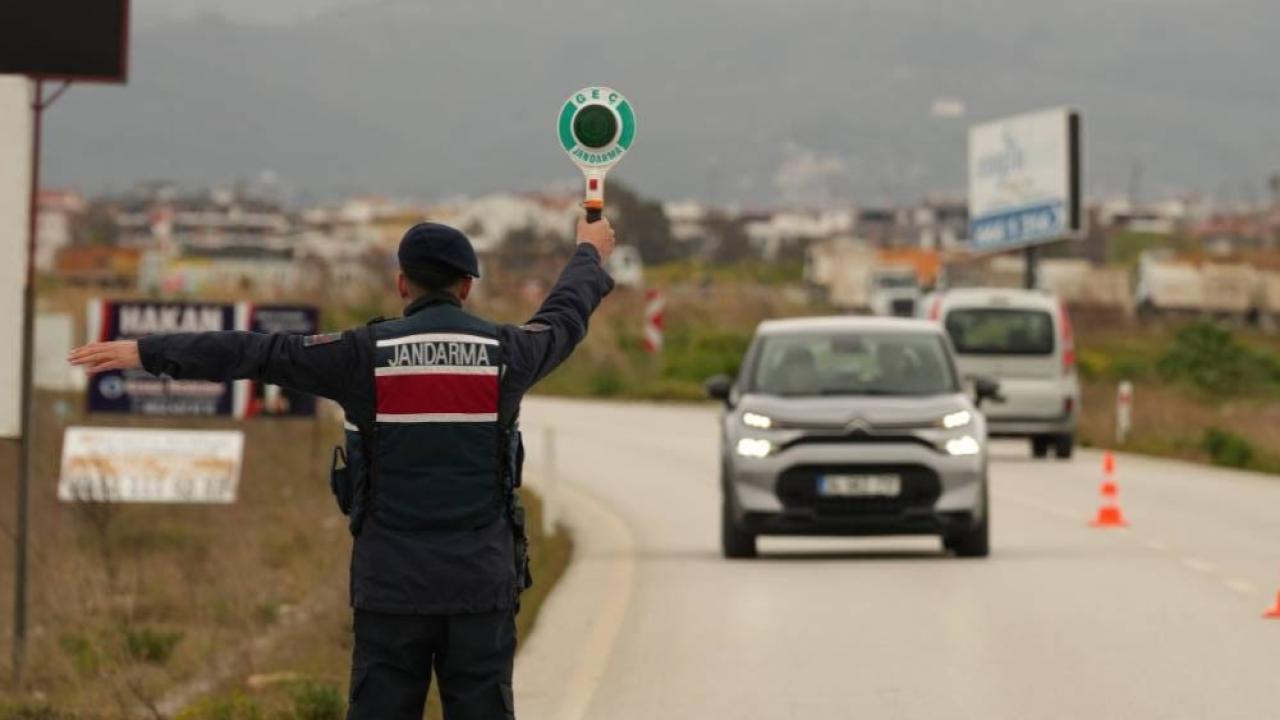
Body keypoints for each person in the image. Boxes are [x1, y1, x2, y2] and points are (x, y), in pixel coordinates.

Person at [69, 217, 617, 720]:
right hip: (480, 587)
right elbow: (564, 316)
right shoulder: (507, 352)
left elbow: (257, 352)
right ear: (467, 285)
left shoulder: (360, 354)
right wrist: (589, 253)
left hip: (390, 589)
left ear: (403, 284)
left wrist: (149, 350)